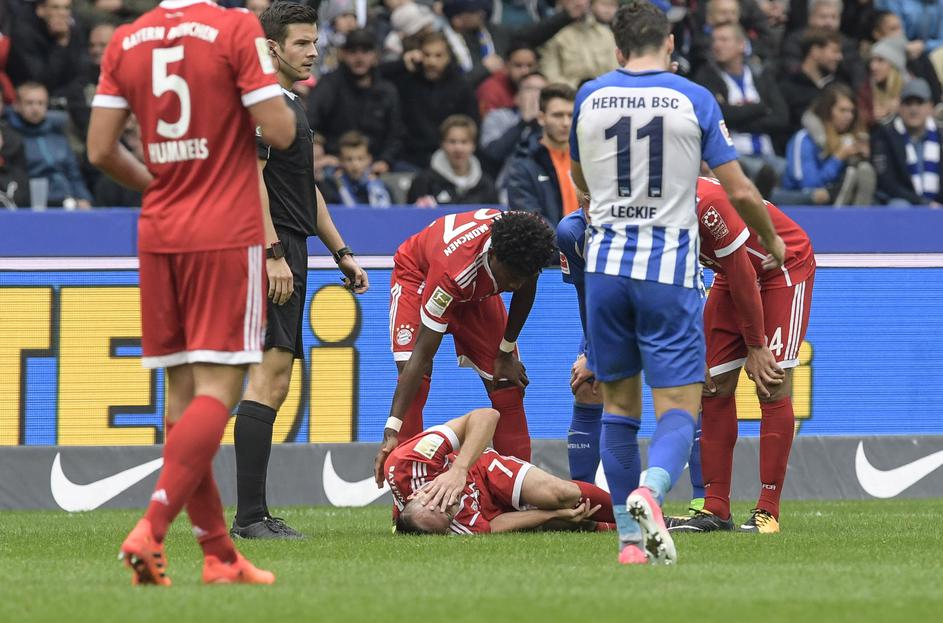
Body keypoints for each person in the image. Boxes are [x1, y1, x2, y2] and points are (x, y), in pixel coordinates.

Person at [87, 0, 297, 585]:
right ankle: (150, 529)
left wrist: (161, 185)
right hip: (224, 231)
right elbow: (280, 131)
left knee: (182, 405)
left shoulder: (126, 39)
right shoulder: (234, 29)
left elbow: (100, 149)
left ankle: (218, 555)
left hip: (160, 231)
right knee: (220, 389)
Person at [569, 0, 784, 565]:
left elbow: (579, 177)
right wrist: (774, 239)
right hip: (667, 273)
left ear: (618, 48)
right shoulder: (694, 97)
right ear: (668, 44)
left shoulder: (589, 97)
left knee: (618, 409)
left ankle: (629, 544)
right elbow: (739, 189)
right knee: (680, 409)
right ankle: (652, 490)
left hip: (606, 270)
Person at [230, 1, 369, 541]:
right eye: (301, 44)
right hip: (271, 247)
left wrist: (341, 250)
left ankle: (253, 513)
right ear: (272, 47)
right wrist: (272, 253)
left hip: (290, 245)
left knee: (275, 377)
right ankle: (249, 518)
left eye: (315, 42)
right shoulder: (265, 102)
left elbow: (303, 186)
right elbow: (250, 178)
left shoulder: (289, 104)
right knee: (268, 376)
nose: (313, 52)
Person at [665, 177, 814, 534]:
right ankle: (716, 509)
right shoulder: (644, 211)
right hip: (730, 272)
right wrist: (690, 343)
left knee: (770, 383)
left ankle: (768, 511)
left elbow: (743, 272)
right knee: (711, 386)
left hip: (783, 266)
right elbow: (673, 282)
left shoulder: (707, 205)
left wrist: (756, 346)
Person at [371, 209, 556, 486]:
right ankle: (409, 492)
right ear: (494, 255)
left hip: (474, 287)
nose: (515, 284)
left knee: (507, 383)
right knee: (415, 377)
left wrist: (506, 351)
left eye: (523, 276)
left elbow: (525, 287)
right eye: (511, 277)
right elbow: (421, 355)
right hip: (420, 276)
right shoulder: (453, 274)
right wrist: (392, 428)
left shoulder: (528, 245)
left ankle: (517, 493)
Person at [386, 407, 616, 535]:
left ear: (416, 494)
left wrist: (459, 470)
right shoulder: (454, 528)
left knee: (560, 495)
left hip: (482, 470)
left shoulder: (409, 463)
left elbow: (487, 415)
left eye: (438, 501)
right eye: (447, 514)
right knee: (564, 517)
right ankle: (610, 525)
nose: (451, 502)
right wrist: (552, 515)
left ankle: (628, 511)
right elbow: (492, 526)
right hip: (488, 510)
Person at [694, 23, 789, 190]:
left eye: (724, 40)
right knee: (756, 172)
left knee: (790, 172)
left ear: (741, 45)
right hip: (733, 157)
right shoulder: (706, 77)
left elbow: (781, 118)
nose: (717, 45)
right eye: (714, 40)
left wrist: (739, 120)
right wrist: (761, 108)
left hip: (768, 153)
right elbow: (722, 115)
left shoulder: (761, 76)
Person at [307, 28, 403, 175]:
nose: (359, 58)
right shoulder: (329, 85)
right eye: (353, 52)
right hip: (336, 163)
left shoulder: (386, 90)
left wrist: (385, 160)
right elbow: (309, 122)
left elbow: (396, 134)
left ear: (375, 55)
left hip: (375, 165)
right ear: (343, 54)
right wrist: (318, 146)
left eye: (365, 51)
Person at [380, 31, 481, 170]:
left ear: (448, 57)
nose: (432, 62)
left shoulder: (461, 86)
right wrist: (402, 63)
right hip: (409, 158)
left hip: (448, 159)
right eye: (427, 55)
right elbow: (374, 75)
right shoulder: (407, 80)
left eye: (438, 56)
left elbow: (472, 125)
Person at [779, 82, 877, 206]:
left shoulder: (849, 139)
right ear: (827, 111)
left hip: (834, 199)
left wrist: (862, 157)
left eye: (851, 111)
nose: (849, 116)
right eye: (842, 110)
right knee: (823, 193)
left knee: (863, 170)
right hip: (800, 203)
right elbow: (809, 185)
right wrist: (838, 157)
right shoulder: (804, 139)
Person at [8, 82, 93, 208]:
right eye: (29, 103)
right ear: (17, 105)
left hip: (69, 201)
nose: (35, 108)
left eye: (41, 103)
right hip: (32, 204)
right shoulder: (11, 139)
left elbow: (74, 175)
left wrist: (85, 198)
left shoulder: (59, 136)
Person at [506, 83, 579, 224]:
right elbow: (529, 219)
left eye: (571, 115)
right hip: (549, 238)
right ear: (541, 118)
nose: (566, 123)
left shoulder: (586, 158)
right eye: (558, 115)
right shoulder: (523, 165)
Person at [871, 78, 943, 206]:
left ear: (930, 107)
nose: (913, 109)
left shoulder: (940, 135)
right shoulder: (884, 135)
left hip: (937, 203)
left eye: (919, 103)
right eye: (908, 103)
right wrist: (923, 203)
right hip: (903, 202)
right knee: (899, 206)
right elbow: (887, 183)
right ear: (899, 107)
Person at [407, 115, 498, 205]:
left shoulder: (486, 185)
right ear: (442, 144)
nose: (458, 148)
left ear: (473, 145)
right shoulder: (423, 182)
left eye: (464, 142)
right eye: (452, 141)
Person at [479, 70, 546, 181]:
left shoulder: (556, 120)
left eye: (541, 90)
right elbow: (492, 154)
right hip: (507, 183)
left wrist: (538, 125)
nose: (536, 94)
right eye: (529, 89)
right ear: (517, 95)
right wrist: (523, 123)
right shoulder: (498, 116)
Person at [539, 0, 619, 89]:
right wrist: (580, 88)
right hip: (568, 93)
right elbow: (550, 76)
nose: (579, 3)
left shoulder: (606, 34)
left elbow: (616, 70)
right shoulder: (553, 36)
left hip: (604, 92)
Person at [781, 28, 844, 131]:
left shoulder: (837, 87)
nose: (840, 57)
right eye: (834, 51)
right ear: (815, 51)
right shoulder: (788, 87)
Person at [319, 131, 393, 206]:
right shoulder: (332, 186)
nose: (355, 164)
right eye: (349, 159)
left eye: (360, 159)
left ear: (369, 159)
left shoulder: (380, 186)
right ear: (341, 161)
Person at [476, 42, 539, 117]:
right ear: (506, 65)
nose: (525, 71)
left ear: (537, 66)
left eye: (530, 65)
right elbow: (489, 122)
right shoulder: (491, 89)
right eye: (518, 65)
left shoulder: (541, 85)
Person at [857, 36, 906, 128]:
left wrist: (902, 109)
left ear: (894, 65)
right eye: (872, 61)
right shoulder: (866, 90)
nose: (873, 66)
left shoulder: (909, 90)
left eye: (880, 60)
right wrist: (873, 117)